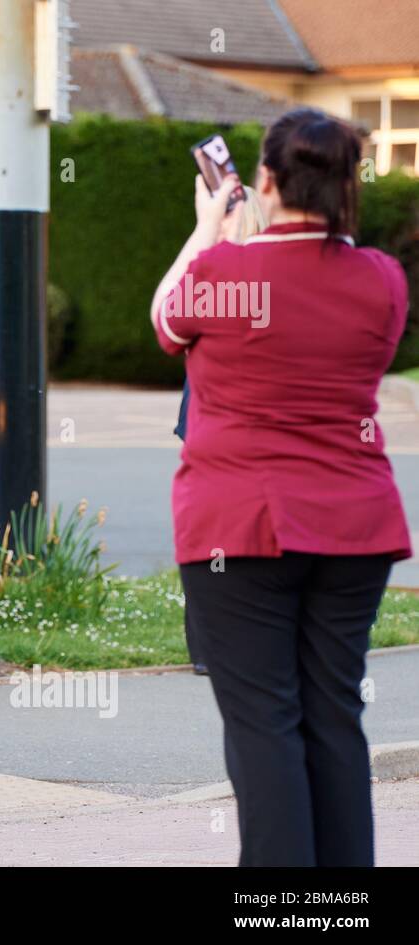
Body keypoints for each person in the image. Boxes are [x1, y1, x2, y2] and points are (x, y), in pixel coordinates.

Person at [150, 108, 412, 866]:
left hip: (241, 528)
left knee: (264, 722)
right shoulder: (382, 279)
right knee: (334, 715)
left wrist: (210, 230)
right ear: (347, 184)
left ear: (263, 180)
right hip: (356, 526)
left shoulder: (224, 273)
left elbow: (165, 322)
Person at [173, 185, 268, 677]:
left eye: (223, 213)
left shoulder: (251, 280)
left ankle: (227, 645)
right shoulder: (213, 275)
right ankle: (213, 647)